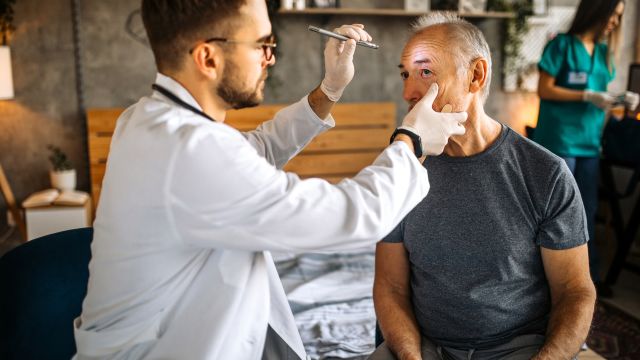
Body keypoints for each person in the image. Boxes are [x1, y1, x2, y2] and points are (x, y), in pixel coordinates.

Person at [72, 1, 467, 359]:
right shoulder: (188, 150)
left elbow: (254, 150)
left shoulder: (147, 121)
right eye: (262, 44)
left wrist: (330, 88)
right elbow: (351, 216)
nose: (270, 59)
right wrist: (411, 140)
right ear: (208, 57)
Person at [371, 12, 596, 360]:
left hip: (521, 348)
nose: (408, 92)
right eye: (406, 74)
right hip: (425, 344)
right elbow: (390, 286)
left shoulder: (545, 174)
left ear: (475, 75)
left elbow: (574, 291)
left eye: (425, 72)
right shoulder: (399, 170)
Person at [533, 0, 639, 294]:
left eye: (619, 18)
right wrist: (585, 96)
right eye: (613, 16)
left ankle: (584, 281)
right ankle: (547, 281)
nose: (615, 23)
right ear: (598, 9)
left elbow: (602, 97)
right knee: (556, 212)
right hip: (560, 141)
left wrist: (621, 101)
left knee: (586, 211)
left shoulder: (605, 53)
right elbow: (544, 89)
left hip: (590, 144)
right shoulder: (562, 46)